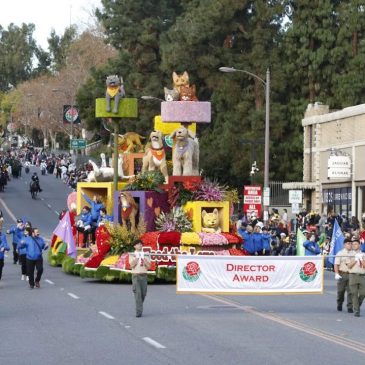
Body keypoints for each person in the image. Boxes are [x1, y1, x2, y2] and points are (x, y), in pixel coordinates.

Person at [129, 240, 151, 317]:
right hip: (136, 276)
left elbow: (149, 266)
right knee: (138, 294)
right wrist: (137, 258)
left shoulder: (146, 254)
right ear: (134, 246)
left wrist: (143, 258)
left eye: (141, 244)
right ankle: (139, 312)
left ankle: (139, 305)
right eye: (138, 244)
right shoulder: (132, 255)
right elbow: (131, 265)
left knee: (143, 294)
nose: (140, 245)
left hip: (144, 275)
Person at [347, 238, 365, 317]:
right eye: (353, 244)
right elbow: (349, 266)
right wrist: (355, 259)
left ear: (359, 245)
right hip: (353, 275)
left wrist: (361, 259)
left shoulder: (363, 254)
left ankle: (357, 305)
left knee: (362, 294)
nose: (354, 246)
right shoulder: (349, 254)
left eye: (356, 244)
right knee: (354, 293)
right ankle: (356, 310)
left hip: (362, 276)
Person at [334, 239, 353, 312]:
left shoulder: (353, 253)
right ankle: (339, 303)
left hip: (351, 274)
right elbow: (336, 264)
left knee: (351, 291)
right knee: (341, 291)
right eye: (348, 243)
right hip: (342, 273)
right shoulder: (340, 253)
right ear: (344, 245)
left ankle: (350, 306)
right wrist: (336, 273)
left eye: (351, 243)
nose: (350, 245)